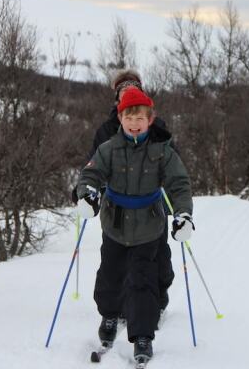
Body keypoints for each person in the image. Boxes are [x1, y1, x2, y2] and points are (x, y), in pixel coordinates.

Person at [76, 87, 194, 364]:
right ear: (120, 119)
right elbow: (90, 173)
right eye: (129, 117)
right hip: (115, 225)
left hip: (149, 227)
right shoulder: (108, 149)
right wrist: (88, 193)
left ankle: (143, 336)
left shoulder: (162, 151)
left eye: (140, 118)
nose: (134, 123)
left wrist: (183, 215)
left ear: (150, 120)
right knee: (110, 277)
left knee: (143, 282)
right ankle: (109, 316)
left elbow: (179, 184)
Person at [72, 70, 176, 316]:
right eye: (123, 89)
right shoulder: (107, 129)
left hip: (151, 204)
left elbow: (173, 160)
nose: (128, 91)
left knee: (158, 258)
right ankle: (117, 310)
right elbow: (93, 164)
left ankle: (158, 298)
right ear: (117, 98)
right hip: (117, 204)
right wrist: (83, 193)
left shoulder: (156, 125)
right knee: (116, 261)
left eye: (133, 87)